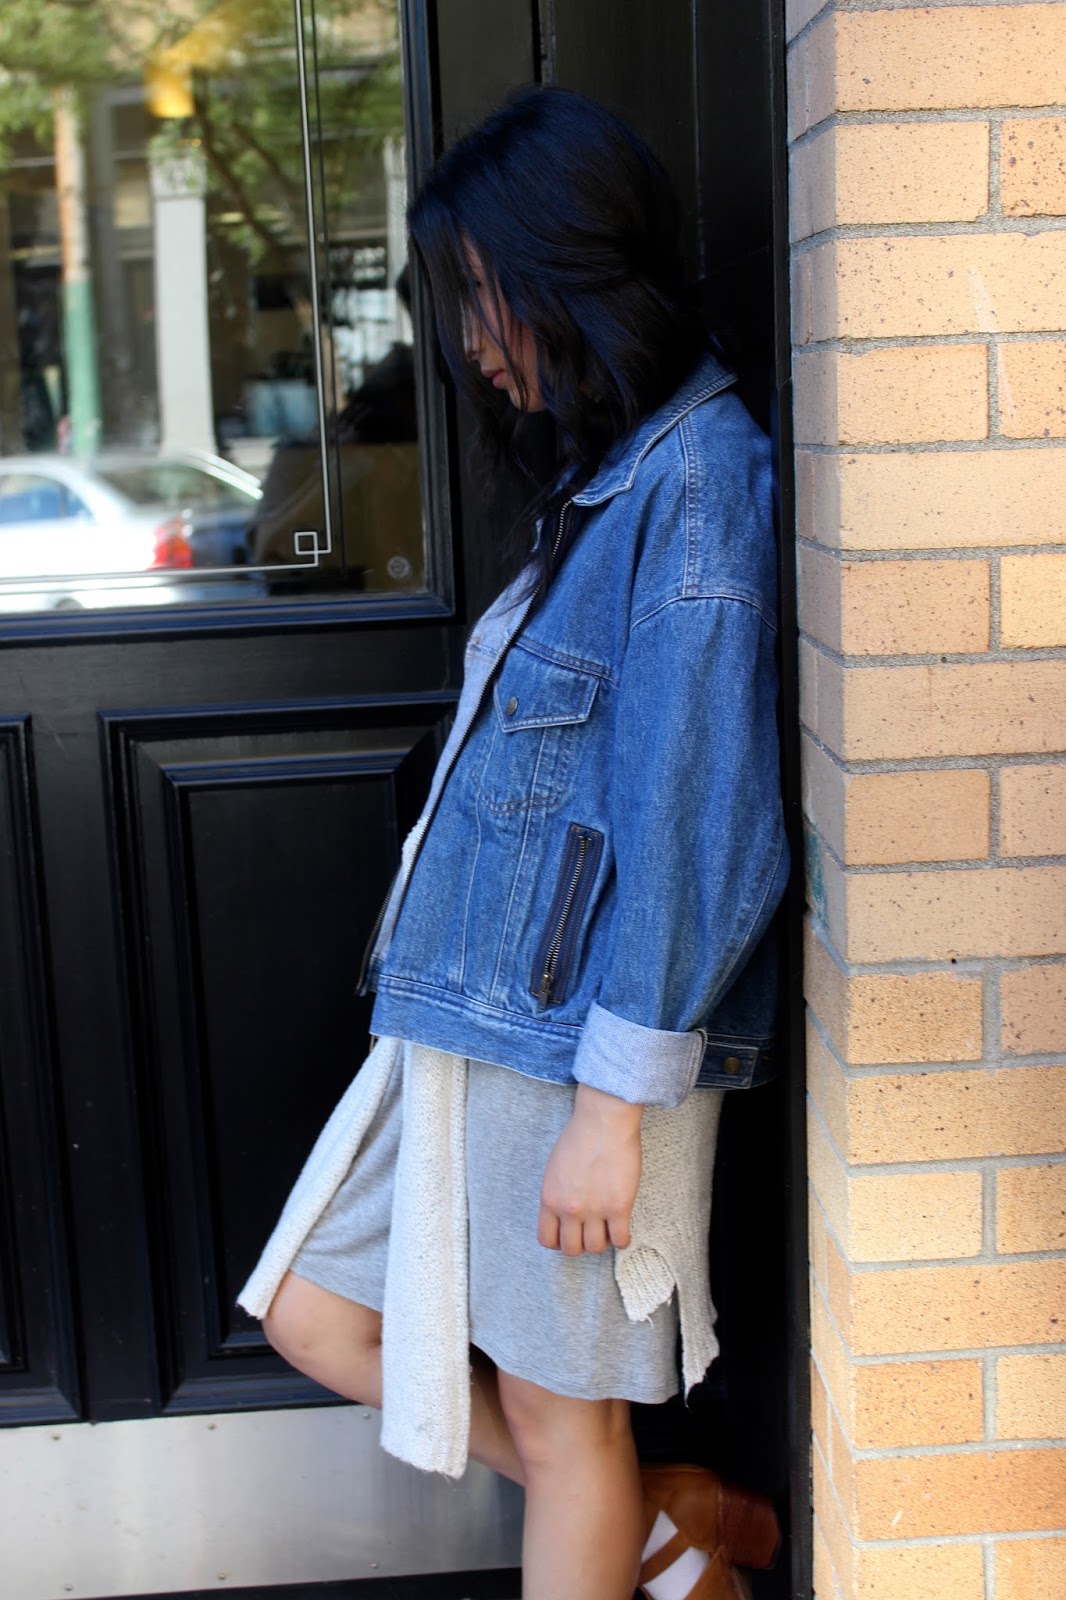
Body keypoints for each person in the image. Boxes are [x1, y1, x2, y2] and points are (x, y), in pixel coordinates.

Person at [241, 87, 788, 1600]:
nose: (470, 339)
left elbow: (702, 831)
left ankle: (633, 1512)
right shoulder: (620, 481)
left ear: (572, 264)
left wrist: (613, 1107)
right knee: (312, 1313)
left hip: (577, 1049)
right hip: (472, 1018)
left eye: (485, 293)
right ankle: (662, 1515)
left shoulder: (697, 489)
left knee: (564, 1423)